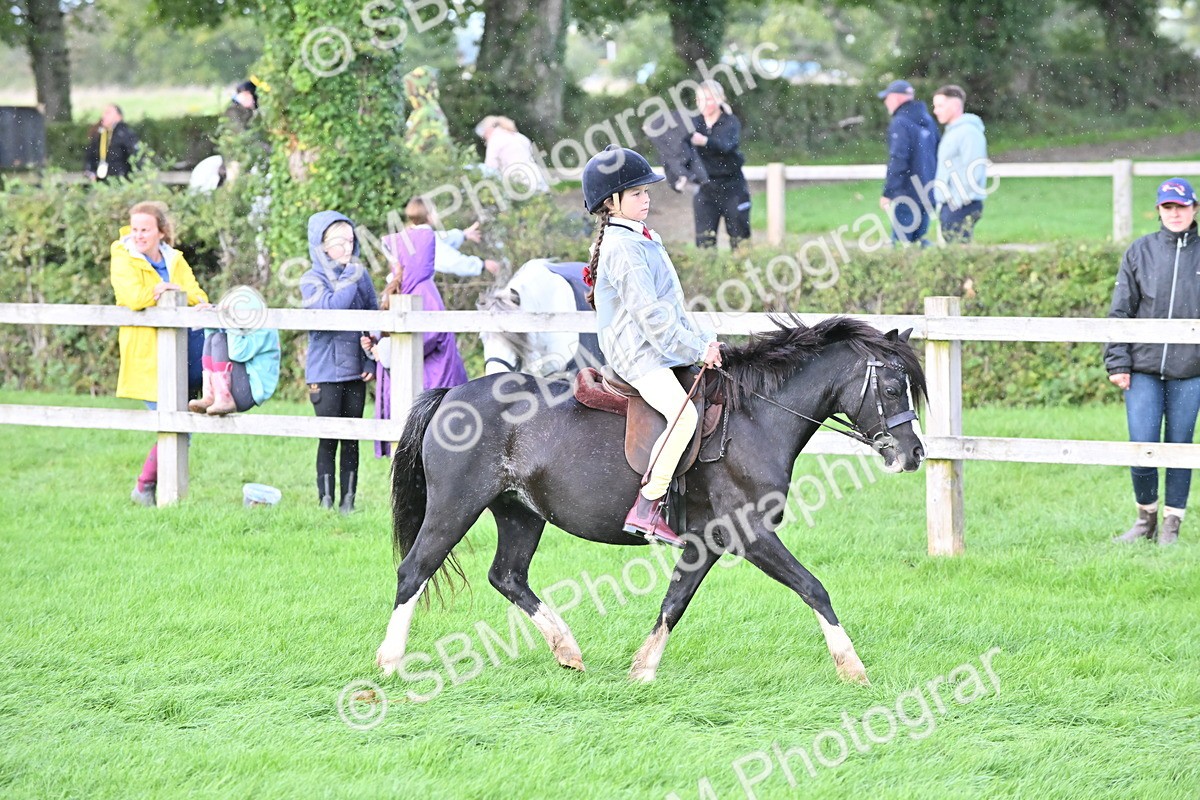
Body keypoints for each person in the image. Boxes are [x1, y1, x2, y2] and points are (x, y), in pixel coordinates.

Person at [581, 144, 722, 547]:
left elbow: (671, 306)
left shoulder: (642, 236)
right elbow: (652, 317)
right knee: (683, 418)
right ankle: (647, 504)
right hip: (638, 353)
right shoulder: (624, 248)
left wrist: (701, 341)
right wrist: (696, 350)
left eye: (646, 191)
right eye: (638, 193)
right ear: (613, 202)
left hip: (655, 343)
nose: (647, 198)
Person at [1105, 178, 1200, 546]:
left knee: (1180, 445)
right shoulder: (1140, 251)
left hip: (1190, 371)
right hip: (1142, 368)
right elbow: (1121, 311)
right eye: (1167, 207)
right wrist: (1117, 362)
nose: (1175, 214)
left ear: (1194, 208)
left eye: (1181, 207)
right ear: (1159, 210)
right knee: (1142, 443)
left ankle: (1172, 525)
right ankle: (1145, 520)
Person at [109, 201, 209, 507]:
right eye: (135, 229)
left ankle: (150, 490)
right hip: (147, 354)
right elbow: (131, 298)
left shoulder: (174, 258)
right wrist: (159, 291)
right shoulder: (123, 257)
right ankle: (145, 488)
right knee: (174, 426)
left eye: (145, 230)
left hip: (183, 352)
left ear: (161, 232)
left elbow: (194, 292)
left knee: (181, 424)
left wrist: (192, 298)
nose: (139, 235)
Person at [301, 211, 379, 513]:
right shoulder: (311, 280)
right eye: (338, 241)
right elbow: (334, 310)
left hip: (355, 372)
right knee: (329, 438)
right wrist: (349, 275)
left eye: (350, 240)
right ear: (321, 245)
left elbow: (371, 316)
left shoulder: (360, 275)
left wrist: (370, 358)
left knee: (352, 439)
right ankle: (326, 501)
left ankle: (349, 502)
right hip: (324, 373)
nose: (347, 247)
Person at [187, 292, 280, 417]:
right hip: (237, 385)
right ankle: (209, 396)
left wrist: (230, 321)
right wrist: (212, 317)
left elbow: (237, 353)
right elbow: (210, 341)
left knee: (220, 339)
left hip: (248, 393)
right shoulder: (246, 324)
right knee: (214, 338)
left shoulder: (264, 330)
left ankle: (224, 398)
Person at [689, 80, 751, 249]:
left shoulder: (731, 122)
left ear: (720, 99)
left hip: (733, 187)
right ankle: (708, 271)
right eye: (702, 100)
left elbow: (726, 145)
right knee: (704, 241)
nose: (706, 104)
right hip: (706, 188)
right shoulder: (692, 124)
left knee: (740, 238)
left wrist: (705, 141)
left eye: (710, 99)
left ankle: (741, 270)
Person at [878, 80, 939, 246]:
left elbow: (899, 160)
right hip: (928, 191)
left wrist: (888, 193)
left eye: (887, 98)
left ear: (897, 98)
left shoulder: (900, 123)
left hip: (907, 194)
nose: (885, 102)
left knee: (900, 244)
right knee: (918, 242)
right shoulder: (928, 120)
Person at [931, 84, 988, 243]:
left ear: (955, 105)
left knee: (959, 254)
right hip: (950, 205)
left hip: (961, 205)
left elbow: (974, 170)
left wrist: (955, 203)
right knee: (951, 255)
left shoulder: (969, 132)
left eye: (940, 106)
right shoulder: (952, 132)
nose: (936, 111)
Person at [401, 197, 500, 278]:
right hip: (413, 297)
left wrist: (463, 235)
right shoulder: (427, 239)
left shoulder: (409, 235)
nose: (437, 214)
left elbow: (443, 238)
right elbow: (453, 262)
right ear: (428, 216)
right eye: (434, 211)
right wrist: (482, 264)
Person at [475, 115, 550, 194]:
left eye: (484, 136)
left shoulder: (495, 140)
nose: (485, 139)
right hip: (538, 178)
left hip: (520, 181)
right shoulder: (520, 137)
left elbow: (490, 168)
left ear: (488, 130)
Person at [85, 104, 139, 182]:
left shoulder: (125, 134)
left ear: (119, 116)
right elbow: (90, 156)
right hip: (100, 179)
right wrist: (90, 171)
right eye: (104, 113)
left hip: (120, 180)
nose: (103, 116)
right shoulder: (99, 134)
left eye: (108, 113)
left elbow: (134, 157)